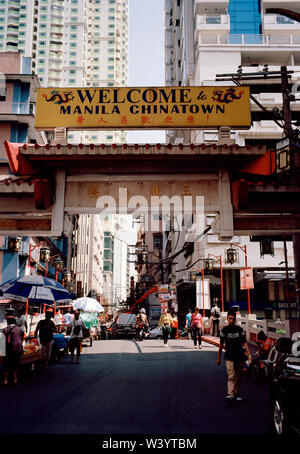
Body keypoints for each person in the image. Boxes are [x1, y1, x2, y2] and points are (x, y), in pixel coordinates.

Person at [217, 310, 252, 402]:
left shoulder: (239, 330)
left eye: (233, 319)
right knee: (231, 376)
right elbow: (221, 344)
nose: (231, 320)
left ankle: (237, 393)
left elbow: (244, 342)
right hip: (229, 356)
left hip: (239, 356)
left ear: (235, 320)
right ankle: (230, 394)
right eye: (230, 319)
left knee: (238, 376)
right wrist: (218, 358)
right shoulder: (224, 331)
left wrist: (249, 354)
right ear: (227, 319)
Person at [2, 316, 24, 384]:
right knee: (16, 363)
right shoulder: (19, 329)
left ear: (8, 322)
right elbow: (21, 338)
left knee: (6, 364)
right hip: (17, 348)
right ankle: (15, 379)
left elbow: (2, 340)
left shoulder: (5, 329)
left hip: (7, 349)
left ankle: (5, 380)